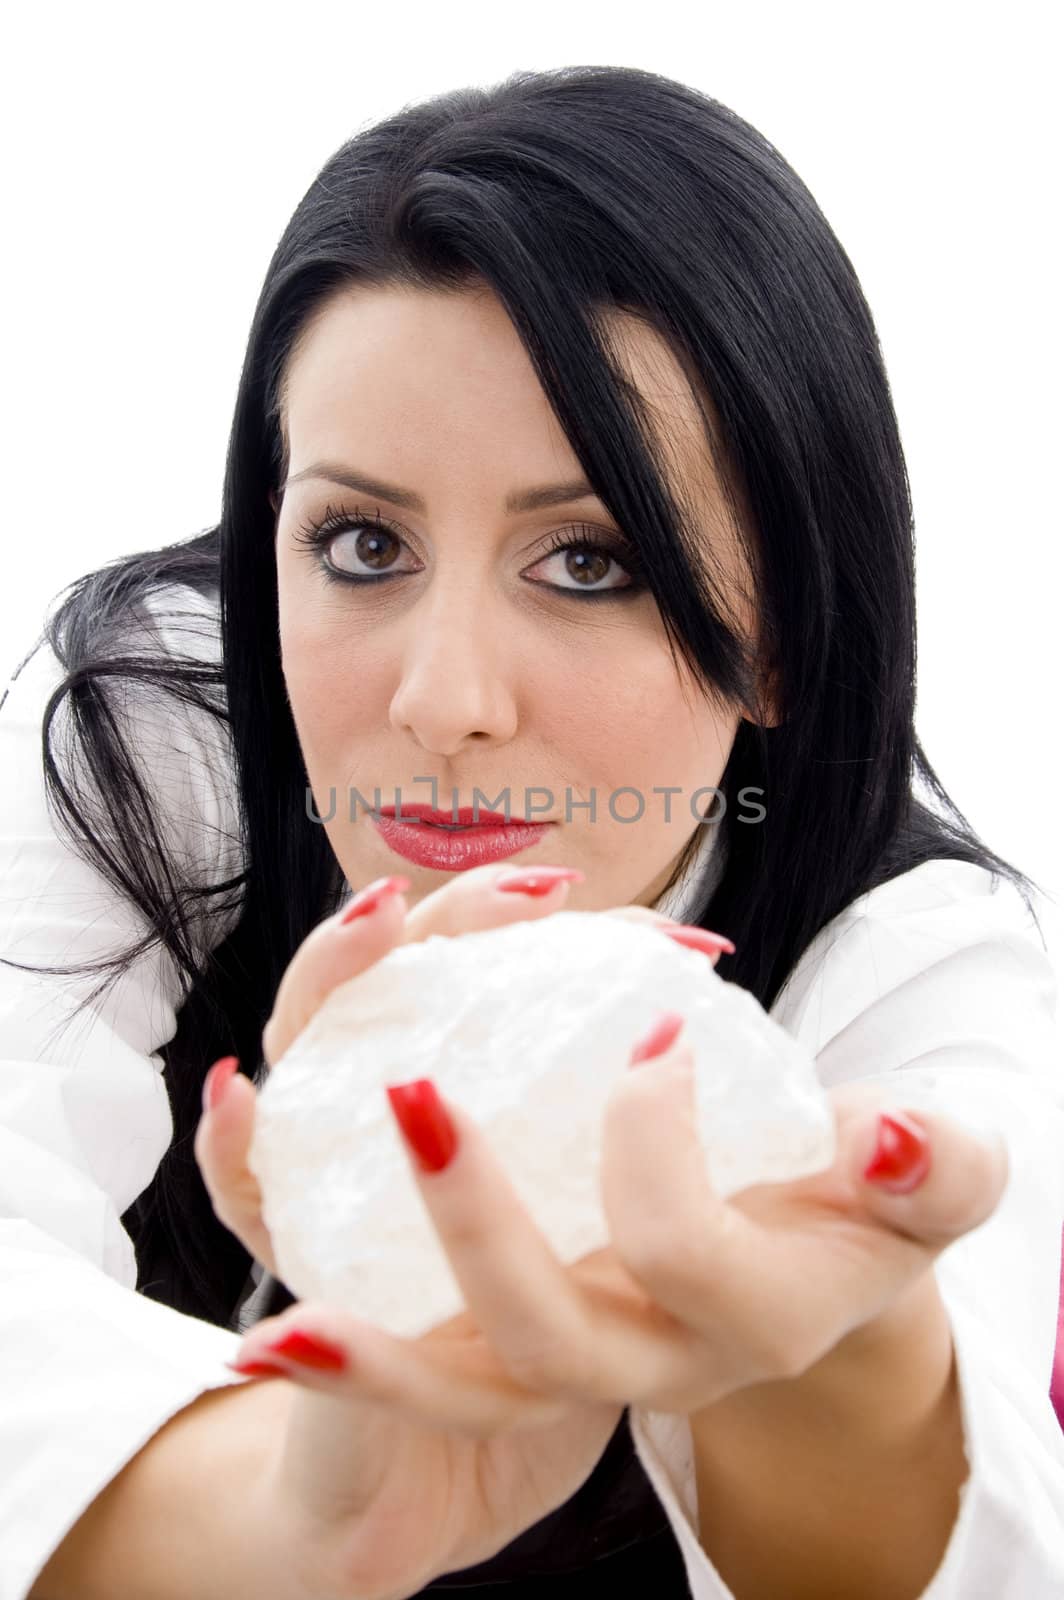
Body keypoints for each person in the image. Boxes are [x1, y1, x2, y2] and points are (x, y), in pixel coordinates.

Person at [1, 60, 1062, 1600]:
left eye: (589, 562)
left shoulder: (915, 954)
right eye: (363, 542)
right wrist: (301, 1513)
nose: (445, 701)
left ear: (776, 625)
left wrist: (840, 1351)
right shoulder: (155, 726)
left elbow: (968, 1533)